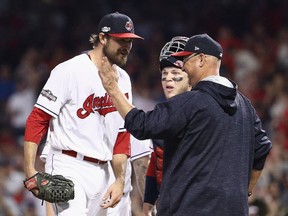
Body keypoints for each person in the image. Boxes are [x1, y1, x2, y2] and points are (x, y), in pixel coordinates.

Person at [98, 33, 272, 216]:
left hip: (189, 208)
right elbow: (262, 149)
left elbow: (141, 125)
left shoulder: (191, 102)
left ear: (201, 60)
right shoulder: (245, 106)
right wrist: (245, 191)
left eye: (186, 60)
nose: (184, 67)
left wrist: (113, 89)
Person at [23, 12, 143, 216]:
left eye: (130, 41)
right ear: (103, 38)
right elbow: (38, 119)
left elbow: (122, 135)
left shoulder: (123, 79)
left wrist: (120, 179)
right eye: (121, 40)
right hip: (69, 165)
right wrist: (29, 170)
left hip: (105, 170)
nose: (127, 47)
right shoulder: (69, 70)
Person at [142, 36, 191, 216]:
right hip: (169, 204)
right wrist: (148, 201)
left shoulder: (205, 111)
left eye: (175, 73)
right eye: (164, 74)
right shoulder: (163, 113)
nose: (168, 79)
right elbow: (157, 160)